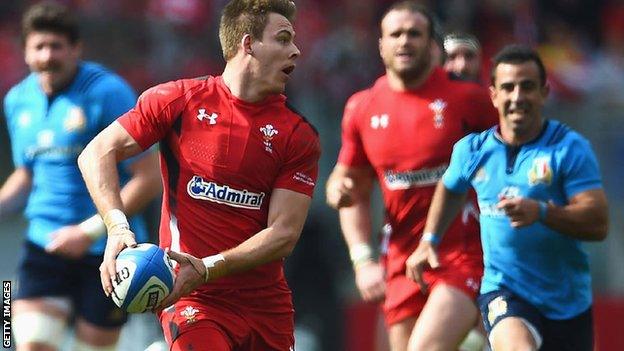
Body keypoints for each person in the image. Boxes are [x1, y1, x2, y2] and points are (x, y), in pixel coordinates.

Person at [77, 0, 320, 350]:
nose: (296, 51)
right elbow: (97, 153)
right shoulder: (178, 100)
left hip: (265, 305)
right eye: (283, 39)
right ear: (247, 44)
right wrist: (117, 229)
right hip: (192, 297)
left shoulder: (297, 134)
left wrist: (207, 267)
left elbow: (283, 234)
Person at [406, 44, 609, 351]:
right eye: (508, 87)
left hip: (568, 302)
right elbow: (450, 188)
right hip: (505, 291)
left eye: (527, 87)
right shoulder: (472, 150)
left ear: (544, 92)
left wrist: (542, 212)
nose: (517, 97)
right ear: (494, 95)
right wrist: (429, 240)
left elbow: (597, 223)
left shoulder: (569, 148)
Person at [325, 1, 497, 350]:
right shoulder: (362, 107)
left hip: (461, 252)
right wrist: (362, 259)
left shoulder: (469, 100)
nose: (405, 41)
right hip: (400, 260)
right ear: (381, 44)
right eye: (396, 34)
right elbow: (347, 187)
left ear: (432, 45)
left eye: (414, 34)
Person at [0, 2, 162, 351]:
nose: (47, 56)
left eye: (56, 46)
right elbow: (27, 175)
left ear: (76, 49)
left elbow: (148, 178)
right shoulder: (17, 101)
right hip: (44, 244)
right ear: (25, 52)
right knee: (28, 342)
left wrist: (87, 233)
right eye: (38, 47)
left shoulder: (108, 92)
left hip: (106, 250)